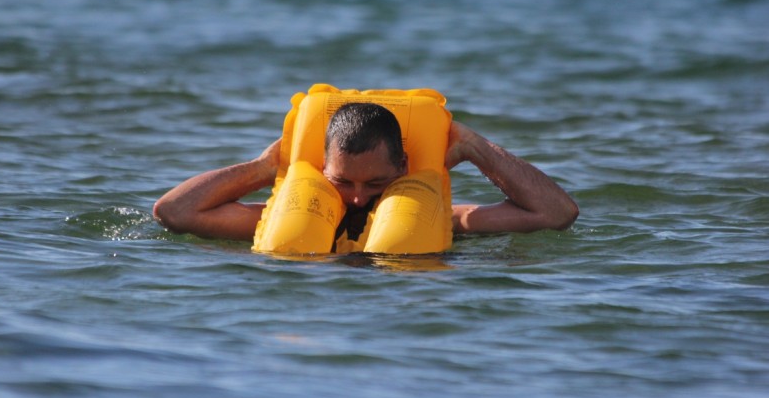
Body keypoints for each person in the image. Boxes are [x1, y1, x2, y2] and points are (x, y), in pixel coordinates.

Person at [153, 103, 578, 244]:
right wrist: (265, 168)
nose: (357, 198)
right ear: (322, 169)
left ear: (404, 168)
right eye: (342, 182)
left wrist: (476, 149)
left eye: (375, 183)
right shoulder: (273, 219)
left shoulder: (447, 222)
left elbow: (557, 213)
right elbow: (173, 211)